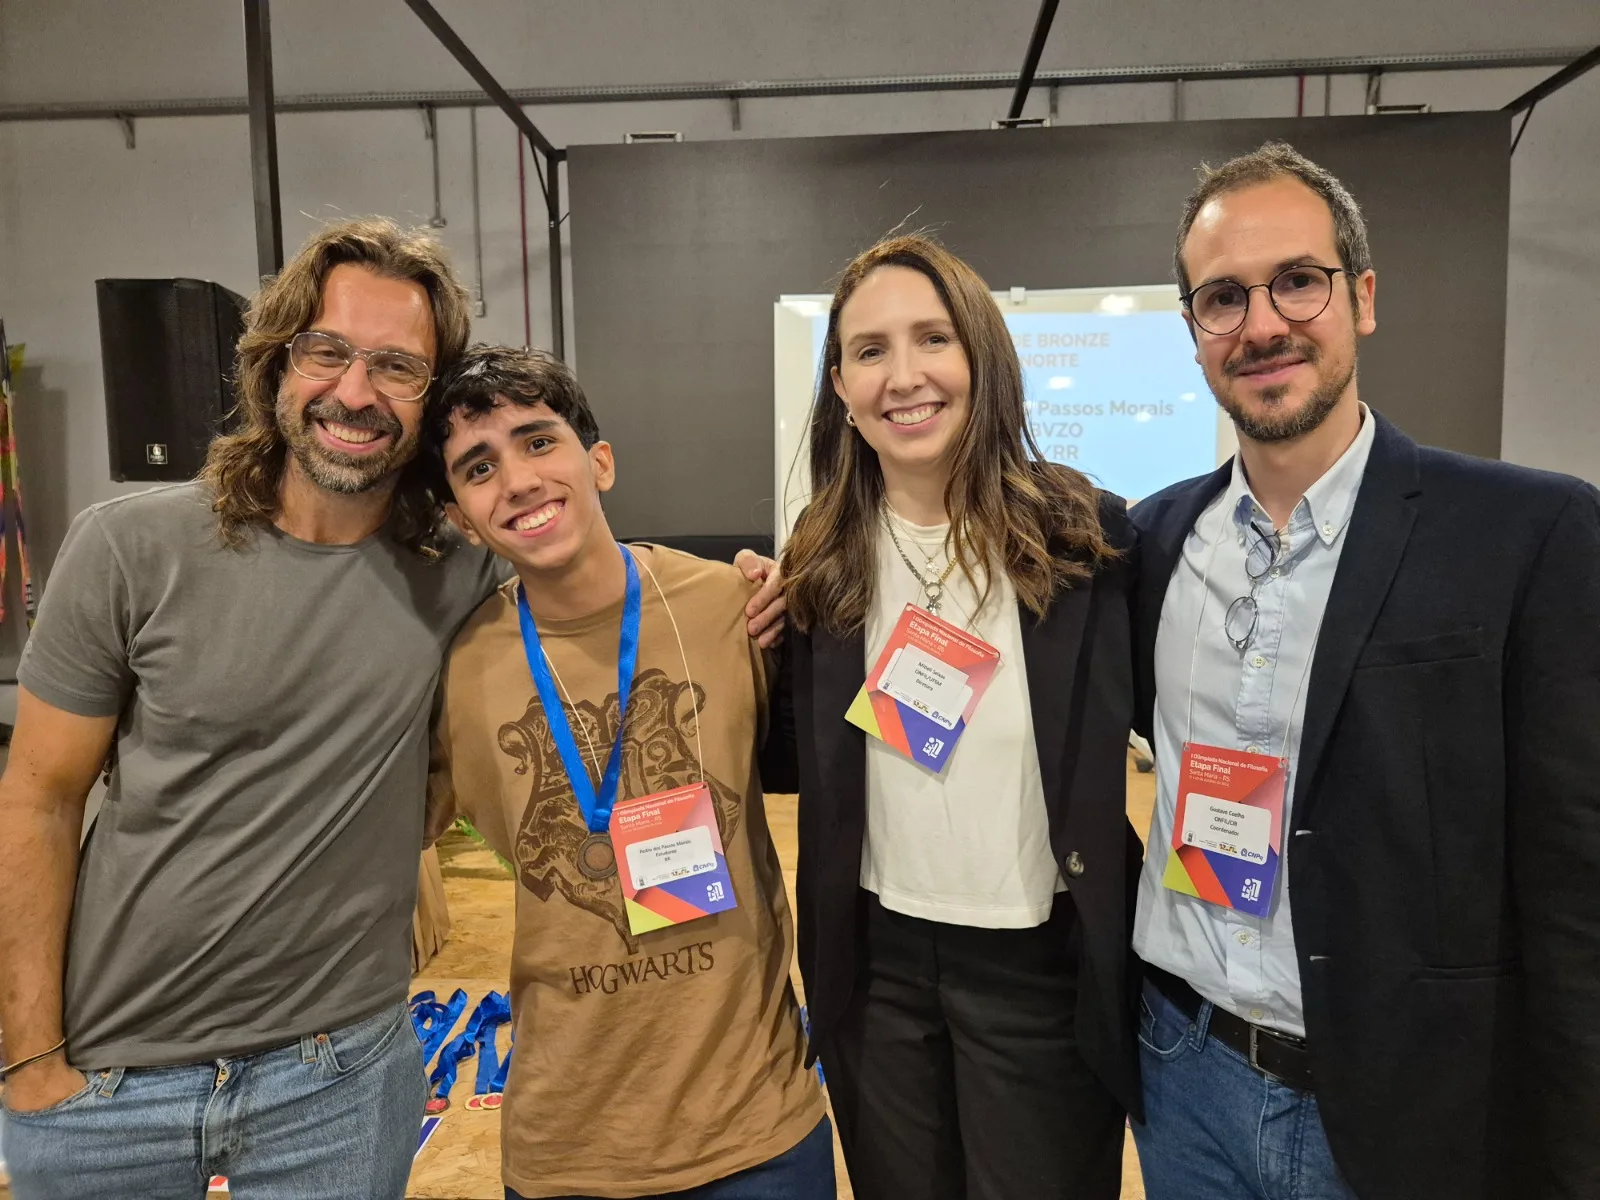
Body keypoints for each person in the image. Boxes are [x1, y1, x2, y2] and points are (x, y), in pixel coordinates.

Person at [0, 218, 784, 1200]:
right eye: (327, 351)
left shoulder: (458, 573)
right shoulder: (127, 550)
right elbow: (36, 797)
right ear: (279, 362)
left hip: (339, 1080)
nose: (355, 391)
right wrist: (31, 1061)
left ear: (429, 397)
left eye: (398, 367)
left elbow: (590, 592)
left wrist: (758, 585)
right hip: (115, 1085)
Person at [1129, 141, 1600, 1200]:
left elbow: (1575, 881)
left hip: (1404, 1103)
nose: (1261, 323)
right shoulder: (1152, 545)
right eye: (1222, 297)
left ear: (1363, 297)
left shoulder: (1525, 532)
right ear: (1193, 332)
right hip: (1181, 1073)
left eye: (1297, 280)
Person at [777, 234, 1141, 1200]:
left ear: (981, 357)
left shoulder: (1085, 540)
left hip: (1042, 971)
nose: (905, 376)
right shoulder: (820, 561)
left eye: (931, 338)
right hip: (877, 972)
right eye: (869, 351)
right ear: (843, 391)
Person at [422, 345, 832, 1200]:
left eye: (539, 442)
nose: (519, 480)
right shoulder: (453, 670)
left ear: (598, 461)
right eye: (478, 467)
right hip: (569, 1146)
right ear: (461, 517)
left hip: (755, 1131)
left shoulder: (735, 607)